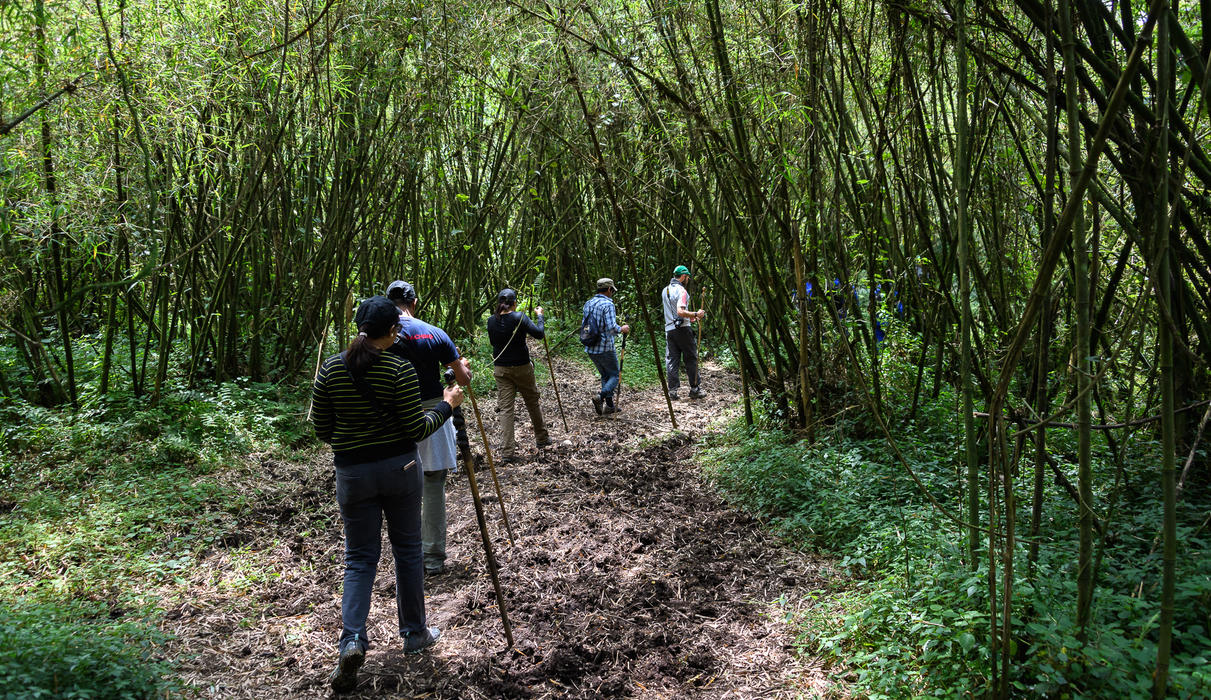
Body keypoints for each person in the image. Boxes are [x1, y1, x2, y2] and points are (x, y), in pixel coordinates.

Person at [311, 295, 464, 694]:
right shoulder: (398, 369)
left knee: (359, 559)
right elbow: (416, 428)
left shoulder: (330, 369)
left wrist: (353, 439)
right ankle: (414, 633)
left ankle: (352, 640)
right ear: (394, 331)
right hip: (400, 469)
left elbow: (322, 429)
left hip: (352, 473)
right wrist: (447, 406)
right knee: (408, 550)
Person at [385, 280, 471, 576]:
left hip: (391, 415)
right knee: (433, 483)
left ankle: (406, 557)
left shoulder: (377, 335)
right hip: (433, 410)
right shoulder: (433, 332)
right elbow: (463, 378)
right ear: (414, 302)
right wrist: (463, 368)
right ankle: (432, 558)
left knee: (398, 487)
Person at [485, 288, 551, 463]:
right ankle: (542, 438)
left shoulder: (492, 320)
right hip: (522, 367)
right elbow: (539, 333)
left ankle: (507, 452)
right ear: (514, 303)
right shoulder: (519, 317)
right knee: (532, 401)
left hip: (501, 369)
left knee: (506, 409)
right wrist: (540, 316)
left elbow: (493, 342)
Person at [582, 278, 630, 415]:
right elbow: (611, 329)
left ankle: (609, 406)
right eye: (612, 291)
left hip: (591, 347)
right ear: (609, 289)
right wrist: (622, 328)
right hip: (605, 347)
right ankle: (601, 397)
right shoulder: (607, 305)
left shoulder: (588, 303)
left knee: (605, 375)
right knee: (615, 375)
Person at [661, 265, 705, 400]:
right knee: (691, 358)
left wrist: (691, 317)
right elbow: (680, 311)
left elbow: (674, 312)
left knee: (672, 359)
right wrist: (696, 313)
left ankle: (672, 392)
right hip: (683, 330)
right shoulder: (682, 291)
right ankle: (695, 389)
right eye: (687, 277)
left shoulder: (665, 290)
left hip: (669, 329)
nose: (687, 280)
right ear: (683, 276)